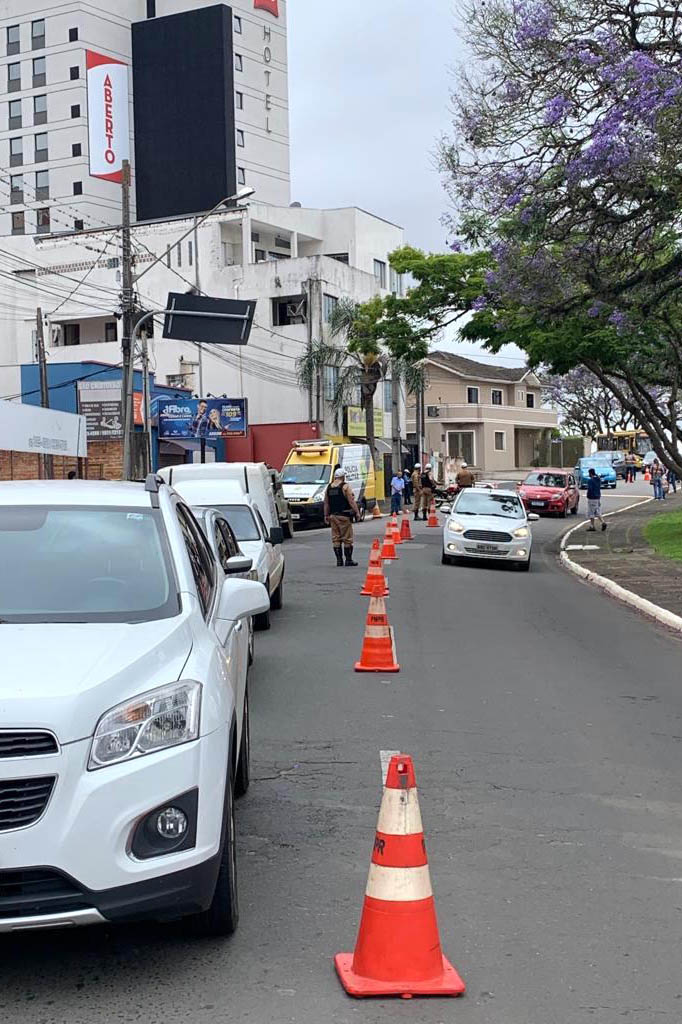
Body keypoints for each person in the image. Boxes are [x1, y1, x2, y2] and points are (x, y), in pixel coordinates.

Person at [324, 467, 361, 567]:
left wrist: (326, 515)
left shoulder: (329, 487)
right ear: (342, 476)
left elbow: (326, 503)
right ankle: (348, 560)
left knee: (336, 538)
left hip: (333, 516)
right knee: (347, 538)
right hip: (344, 516)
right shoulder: (345, 487)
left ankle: (339, 561)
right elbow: (351, 501)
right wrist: (357, 512)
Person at [586, 467, 607, 531]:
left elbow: (590, 489)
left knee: (591, 512)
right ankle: (603, 522)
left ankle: (592, 526)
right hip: (597, 497)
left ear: (590, 473)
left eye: (589, 473)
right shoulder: (598, 480)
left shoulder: (590, 480)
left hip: (592, 498)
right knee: (597, 511)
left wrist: (588, 495)